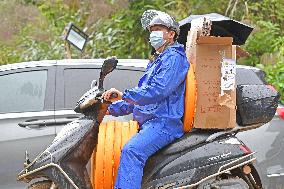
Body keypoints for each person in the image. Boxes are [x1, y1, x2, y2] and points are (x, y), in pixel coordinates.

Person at [102, 9, 190, 189]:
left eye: (158, 29)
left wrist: (124, 94)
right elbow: (141, 100)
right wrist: (108, 108)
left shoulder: (174, 58)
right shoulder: (157, 60)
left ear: (171, 34)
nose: (153, 34)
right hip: (152, 122)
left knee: (132, 151)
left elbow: (158, 91)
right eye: (151, 30)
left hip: (164, 123)